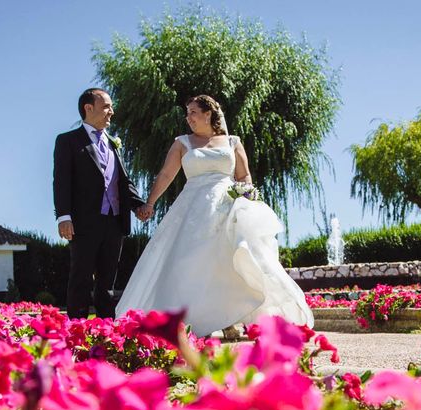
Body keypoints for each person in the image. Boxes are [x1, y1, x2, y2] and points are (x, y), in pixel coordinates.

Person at [116, 95, 313, 335]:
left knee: (228, 261)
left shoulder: (232, 142)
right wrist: (149, 202)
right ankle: (200, 321)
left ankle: (229, 320)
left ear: (208, 113)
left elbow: (244, 176)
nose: (188, 118)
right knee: (191, 263)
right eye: (187, 114)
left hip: (227, 205)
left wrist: (245, 196)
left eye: (193, 112)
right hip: (192, 209)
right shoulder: (182, 143)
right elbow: (166, 175)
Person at [53, 88, 150, 318]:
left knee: (107, 282)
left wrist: (138, 206)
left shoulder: (113, 143)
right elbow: (61, 180)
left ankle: (106, 332)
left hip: (114, 221)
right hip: (83, 222)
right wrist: (64, 216)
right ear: (89, 108)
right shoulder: (68, 141)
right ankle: (76, 330)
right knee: (81, 278)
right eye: (106, 106)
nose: (111, 112)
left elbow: (122, 181)